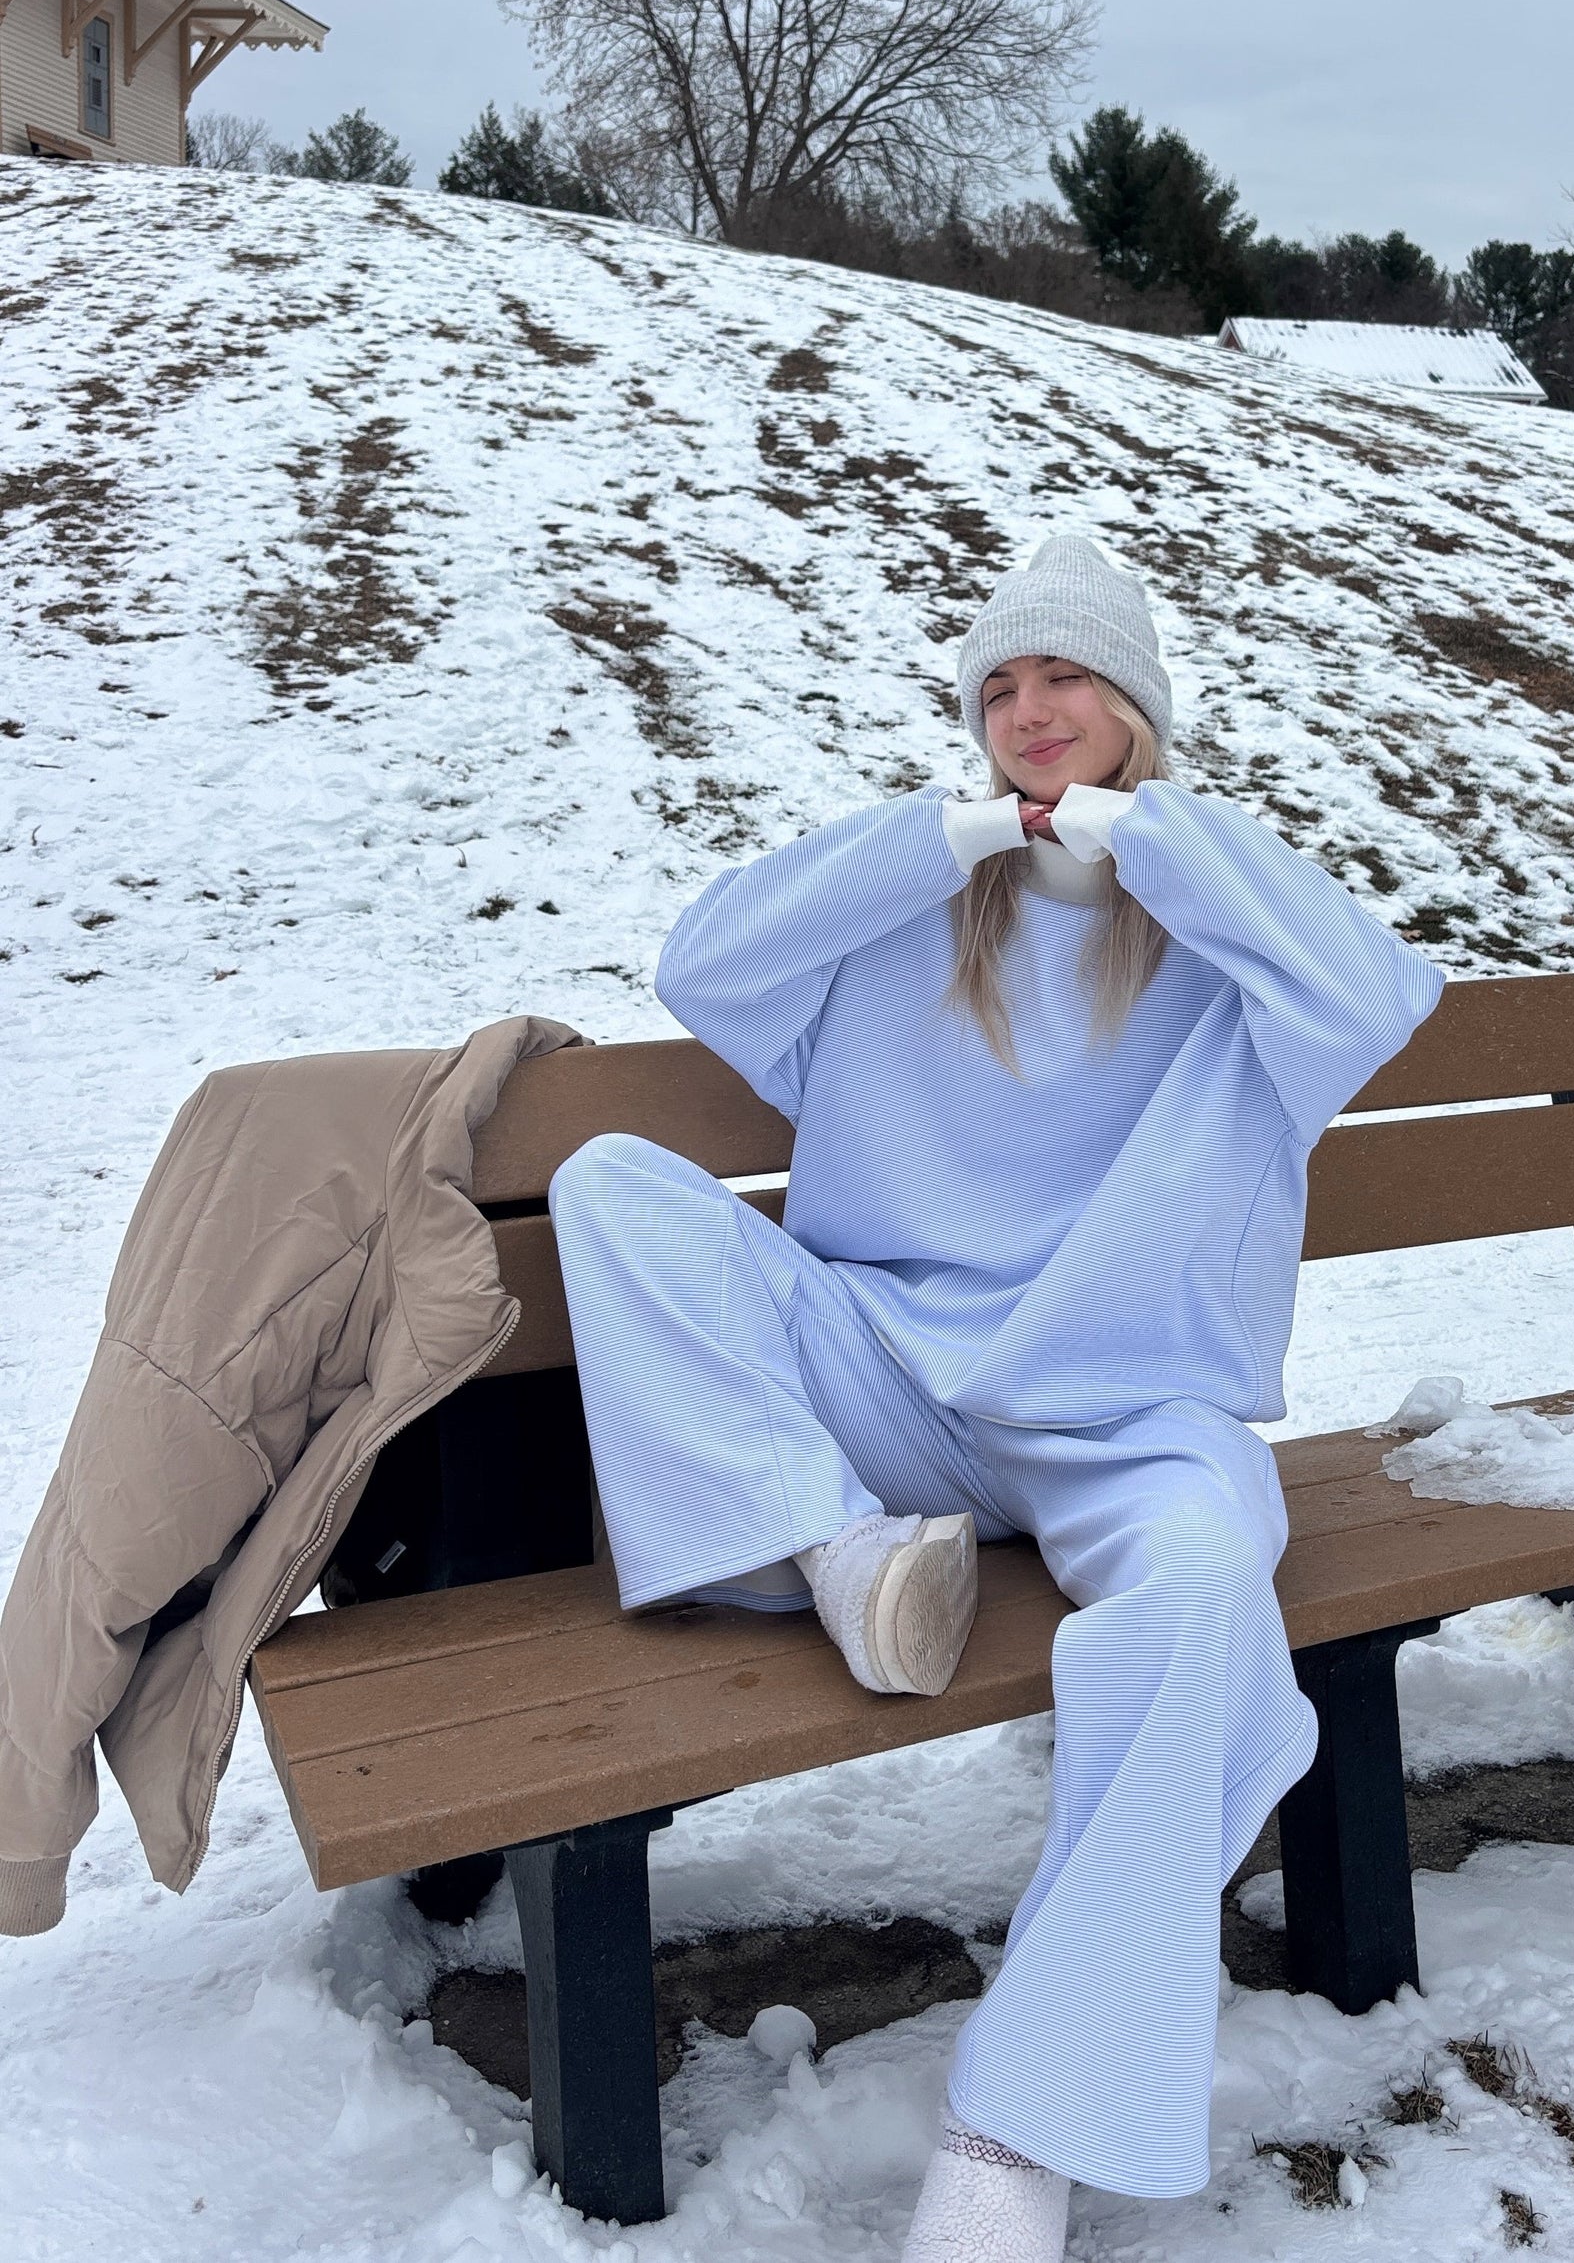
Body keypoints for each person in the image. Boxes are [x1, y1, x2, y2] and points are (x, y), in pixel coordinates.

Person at [548, 534, 1444, 2261]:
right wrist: (935, 839)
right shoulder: (909, 916)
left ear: (1139, 708)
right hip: (888, 1380)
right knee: (608, 1178)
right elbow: (705, 964)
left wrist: (1148, 845)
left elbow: (1378, 990)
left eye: (1070, 676)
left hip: (1124, 1409)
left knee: (1204, 1602)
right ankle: (833, 1557)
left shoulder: (1232, 950)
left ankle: (1017, 2127)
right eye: (1000, 687)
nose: (1033, 712)